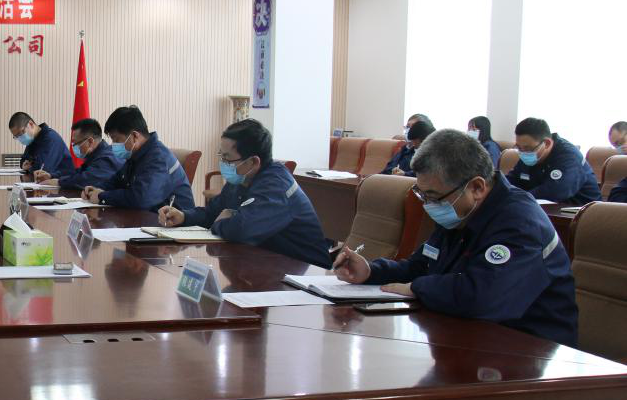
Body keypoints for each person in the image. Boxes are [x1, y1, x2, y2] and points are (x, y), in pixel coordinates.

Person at [333, 128, 577, 347]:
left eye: (433, 197)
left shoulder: (520, 223)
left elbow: (482, 297)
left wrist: (417, 288)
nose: (428, 205)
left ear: (477, 187)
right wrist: (372, 271)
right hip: (470, 334)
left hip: (531, 349)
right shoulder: (460, 209)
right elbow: (422, 265)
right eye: (422, 195)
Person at [158, 119, 332, 267]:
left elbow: (242, 230)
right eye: (221, 156)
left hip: (305, 274)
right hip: (267, 265)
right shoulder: (241, 178)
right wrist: (184, 217)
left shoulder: (276, 186)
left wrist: (221, 223)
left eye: (227, 158)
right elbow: (213, 212)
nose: (223, 163)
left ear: (253, 162)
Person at [82, 106, 195, 211]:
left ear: (135, 136)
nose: (113, 145)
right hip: (148, 217)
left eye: (117, 140)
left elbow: (141, 198)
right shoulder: (136, 155)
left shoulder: (158, 158)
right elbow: (117, 181)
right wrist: (95, 189)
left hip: (172, 223)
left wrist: (102, 196)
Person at [506, 117, 600, 205]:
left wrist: (518, 198)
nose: (523, 153)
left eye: (527, 148)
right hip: (541, 209)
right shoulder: (528, 154)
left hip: (581, 211)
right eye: (519, 148)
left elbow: (554, 192)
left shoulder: (569, 157)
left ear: (547, 143)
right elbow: (511, 181)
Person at [32, 118, 123, 190]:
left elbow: (86, 180)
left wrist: (59, 182)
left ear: (90, 141)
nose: (74, 147)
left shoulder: (108, 157)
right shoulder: (95, 155)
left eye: (76, 143)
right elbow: (77, 172)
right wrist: (51, 175)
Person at [9, 111, 74, 176]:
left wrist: (31, 167)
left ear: (31, 124)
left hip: (65, 179)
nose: (20, 137)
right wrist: (23, 165)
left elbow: (43, 170)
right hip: (45, 180)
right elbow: (24, 159)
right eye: (16, 136)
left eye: (21, 132)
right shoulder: (32, 139)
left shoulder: (50, 139)